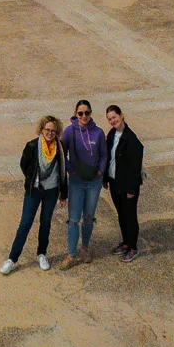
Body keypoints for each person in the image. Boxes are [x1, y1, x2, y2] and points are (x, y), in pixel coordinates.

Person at [1, 114, 66, 274]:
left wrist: (63, 193)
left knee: (46, 223)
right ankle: (12, 259)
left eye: (53, 131)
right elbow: (24, 164)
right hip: (34, 191)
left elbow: (63, 170)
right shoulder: (32, 146)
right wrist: (32, 179)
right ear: (42, 130)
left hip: (52, 191)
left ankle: (42, 254)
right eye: (47, 130)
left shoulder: (60, 147)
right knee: (25, 223)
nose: (50, 133)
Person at [58, 98, 107, 265]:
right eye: (80, 113)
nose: (84, 116)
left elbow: (104, 154)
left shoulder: (98, 133)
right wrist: (70, 170)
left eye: (87, 113)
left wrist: (100, 171)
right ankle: (71, 254)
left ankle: (85, 247)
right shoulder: (69, 131)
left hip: (94, 182)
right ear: (75, 114)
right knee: (73, 219)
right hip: (77, 182)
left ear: (91, 113)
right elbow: (61, 153)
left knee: (88, 217)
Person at [103, 104, 144, 259]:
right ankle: (126, 242)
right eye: (110, 119)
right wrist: (106, 178)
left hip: (127, 185)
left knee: (130, 215)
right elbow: (108, 157)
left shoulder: (131, 139)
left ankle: (133, 246)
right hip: (115, 182)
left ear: (121, 115)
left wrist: (132, 189)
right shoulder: (112, 134)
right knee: (121, 214)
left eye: (114, 117)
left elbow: (135, 167)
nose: (113, 121)